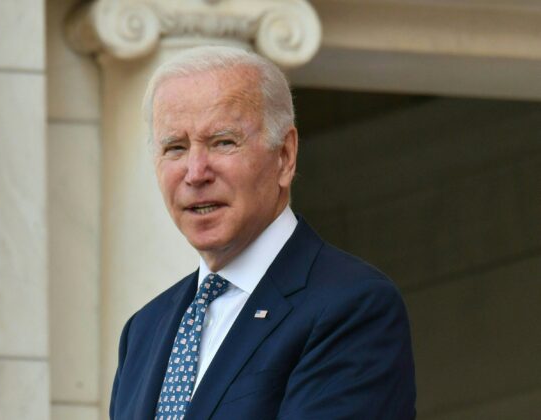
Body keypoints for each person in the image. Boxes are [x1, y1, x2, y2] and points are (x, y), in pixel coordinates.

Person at [109, 46, 416, 420]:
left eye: (223, 142)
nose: (195, 173)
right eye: (175, 148)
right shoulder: (143, 330)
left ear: (284, 156)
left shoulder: (352, 306)